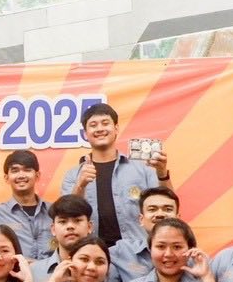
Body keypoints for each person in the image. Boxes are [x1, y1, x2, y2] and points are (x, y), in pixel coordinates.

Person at [59, 102, 172, 248]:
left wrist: (162, 174)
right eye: (93, 125)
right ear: (85, 134)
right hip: (93, 254)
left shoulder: (143, 168)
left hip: (138, 252)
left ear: (116, 128)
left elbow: (169, 206)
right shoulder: (73, 175)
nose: (100, 129)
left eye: (105, 123)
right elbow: (67, 216)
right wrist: (80, 185)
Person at [28, 195, 119, 282]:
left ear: (89, 227)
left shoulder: (109, 270)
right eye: (63, 221)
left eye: (77, 220)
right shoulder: (35, 271)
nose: (70, 226)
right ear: (53, 229)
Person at [107, 186, 181, 282]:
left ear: (178, 218)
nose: (160, 214)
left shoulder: (191, 257)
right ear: (141, 219)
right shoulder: (122, 252)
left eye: (168, 209)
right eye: (152, 209)